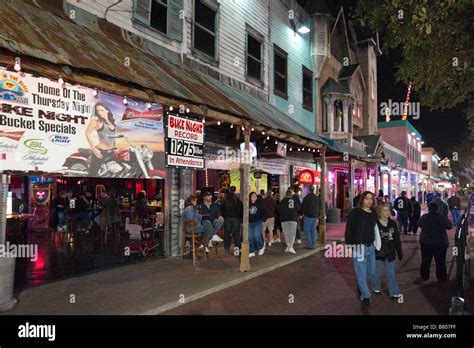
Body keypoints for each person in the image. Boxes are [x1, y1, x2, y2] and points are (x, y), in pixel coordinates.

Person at [344, 191, 379, 308]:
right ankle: (366, 296)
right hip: (359, 247)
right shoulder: (355, 212)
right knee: (361, 272)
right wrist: (349, 244)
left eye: (371, 198)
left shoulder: (374, 213)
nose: (369, 201)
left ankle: (361, 284)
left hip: (371, 247)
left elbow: (376, 230)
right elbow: (349, 229)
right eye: (367, 198)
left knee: (372, 272)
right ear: (362, 199)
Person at [417, 202, 453, 283]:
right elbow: (450, 226)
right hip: (440, 243)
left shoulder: (424, 217)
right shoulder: (442, 217)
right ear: (437, 209)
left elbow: (419, 224)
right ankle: (441, 278)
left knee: (425, 261)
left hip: (426, 242)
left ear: (429, 209)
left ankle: (424, 276)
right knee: (440, 262)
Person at [373, 204, 403, 300]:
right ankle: (376, 287)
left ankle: (394, 292)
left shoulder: (393, 224)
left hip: (390, 252)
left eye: (388, 210)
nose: (387, 212)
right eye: (385, 210)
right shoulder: (375, 224)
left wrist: (399, 251)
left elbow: (397, 239)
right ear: (380, 212)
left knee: (390, 272)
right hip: (378, 252)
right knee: (376, 272)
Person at [85, 103, 117, 176]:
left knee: (110, 173)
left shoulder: (111, 122)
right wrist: (94, 149)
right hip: (101, 152)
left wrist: (114, 147)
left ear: (107, 111)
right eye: (98, 110)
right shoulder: (96, 120)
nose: (99, 112)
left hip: (111, 152)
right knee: (92, 175)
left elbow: (112, 136)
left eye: (102, 110)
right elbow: (87, 133)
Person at [220, 189, 243, 254]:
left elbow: (222, 209)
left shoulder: (225, 199)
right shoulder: (237, 199)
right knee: (237, 234)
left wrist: (223, 216)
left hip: (227, 218)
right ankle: (238, 249)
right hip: (236, 218)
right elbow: (241, 208)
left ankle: (227, 248)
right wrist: (240, 218)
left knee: (227, 234)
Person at [278, 189, 299, 254]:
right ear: (291, 195)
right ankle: (291, 247)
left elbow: (279, 210)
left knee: (286, 233)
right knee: (292, 234)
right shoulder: (294, 201)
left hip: (284, 219)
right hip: (293, 218)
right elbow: (298, 209)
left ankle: (288, 246)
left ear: (285, 195)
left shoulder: (282, 201)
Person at [248, 192, 266, 257]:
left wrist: (263, 220)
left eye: (255, 196)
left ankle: (261, 246)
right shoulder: (247, 204)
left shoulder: (260, 204)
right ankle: (251, 251)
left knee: (256, 235)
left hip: (257, 222)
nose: (254, 197)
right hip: (249, 223)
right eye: (252, 196)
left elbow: (264, 212)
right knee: (250, 237)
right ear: (250, 197)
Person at [301, 185, 320, 249]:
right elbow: (319, 206)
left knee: (307, 230)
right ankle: (313, 244)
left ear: (308, 190)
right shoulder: (316, 198)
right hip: (315, 216)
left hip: (308, 216)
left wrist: (302, 213)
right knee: (313, 230)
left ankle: (309, 244)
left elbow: (303, 207)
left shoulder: (306, 198)